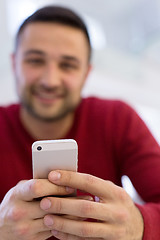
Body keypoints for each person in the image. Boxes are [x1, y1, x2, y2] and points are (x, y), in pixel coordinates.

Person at [0, 5, 160, 240]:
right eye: (35, 60)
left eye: (67, 65)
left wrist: (140, 225)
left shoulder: (118, 119)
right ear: (14, 64)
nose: (50, 80)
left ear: (86, 73)